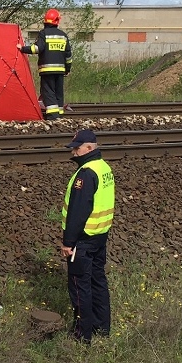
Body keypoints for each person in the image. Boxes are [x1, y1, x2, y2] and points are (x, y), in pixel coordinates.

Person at [60, 129, 115, 345]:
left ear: (89, 148)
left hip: (83, 240)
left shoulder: (85, 174)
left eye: (77, 148)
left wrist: (68, 243)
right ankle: (102, 327)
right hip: (100, 236)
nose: (74, 152)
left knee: (79, 286)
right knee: (98, 281)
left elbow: (77, 212)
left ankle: (82, 335)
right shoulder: (103, 168)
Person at [17, 8, 72, 119]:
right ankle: (59, 115)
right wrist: (67, 69)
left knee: (49, 92)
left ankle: (53, 116)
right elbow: (68, 55)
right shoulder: (63, 35)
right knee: (58, 93)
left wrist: (22, 48)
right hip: (60, 70)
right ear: (57, 21)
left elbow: (37, 48)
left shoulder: (44, 34)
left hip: (47, 70)